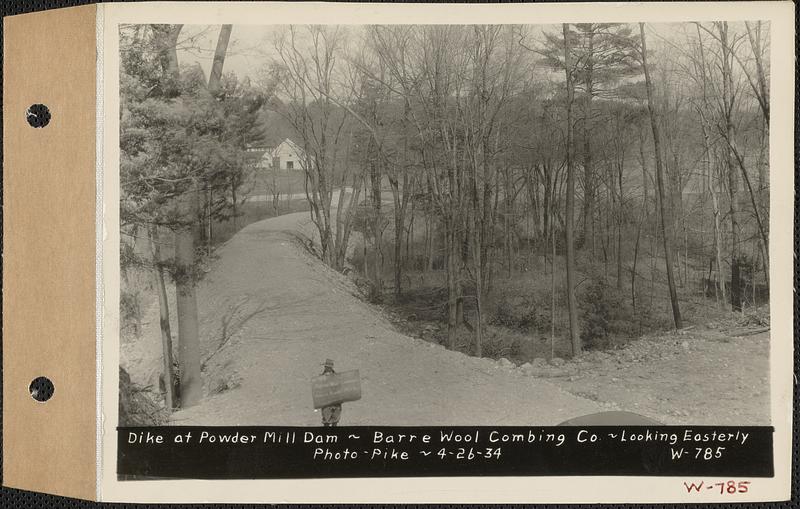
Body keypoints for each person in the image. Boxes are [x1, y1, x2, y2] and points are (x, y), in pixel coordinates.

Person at [320, 359, 342, 426]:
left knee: (335, 420)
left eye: (329, 367)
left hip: (336, 401)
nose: (327, 368)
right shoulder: (321, 378)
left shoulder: (337, 377)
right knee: (326, 420)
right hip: (326, 401)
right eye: (326, 367)